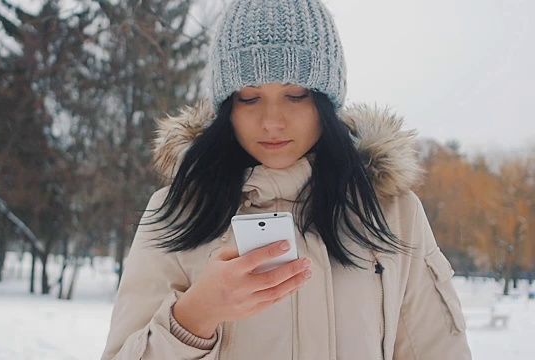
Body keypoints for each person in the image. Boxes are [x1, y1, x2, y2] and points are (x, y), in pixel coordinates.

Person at [100, 0, 472, 359]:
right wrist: (194, 317)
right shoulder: (176, 211)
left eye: (295, 95)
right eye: (249, 97)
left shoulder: (392, 212)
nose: (272, 121)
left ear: (326, 100)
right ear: (226, 105)